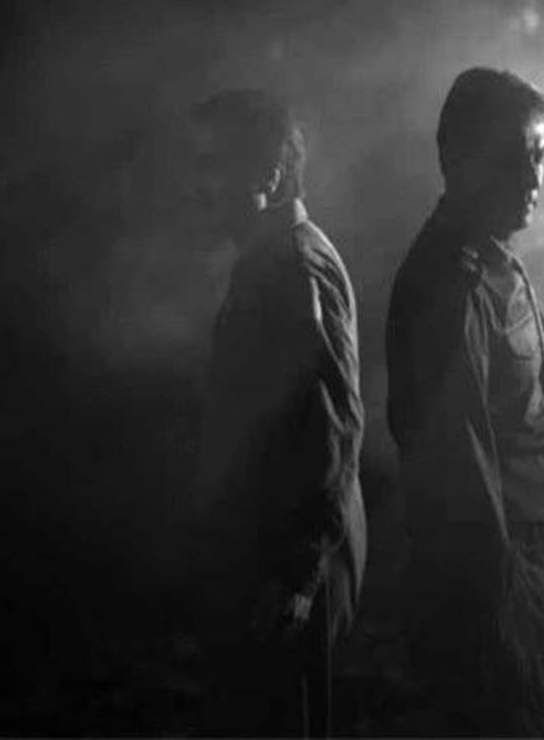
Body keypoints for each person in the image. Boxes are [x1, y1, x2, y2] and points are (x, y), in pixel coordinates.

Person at [385, 67, 544, 736]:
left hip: (509, 568)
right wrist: (500, 608)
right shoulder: (452, 285)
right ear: (459, 161)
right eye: (513, 157)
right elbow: (458, 463)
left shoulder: (491, 262)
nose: (532, 177)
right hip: (486, 582)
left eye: (539, 155)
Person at [190, 89, 366, 737]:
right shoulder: (271, 260)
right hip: (277, 561)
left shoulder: (290, 266)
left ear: (268, 171)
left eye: (213, 164)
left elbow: (331, 427)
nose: (197, 184)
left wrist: (295, 574)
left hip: (287, 571)